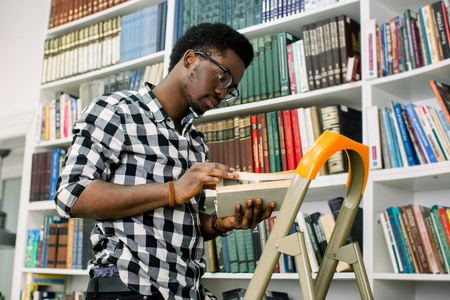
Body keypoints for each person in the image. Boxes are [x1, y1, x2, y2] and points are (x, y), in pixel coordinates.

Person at [55, 22, 275, 299]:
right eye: (223, 77)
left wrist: (222, 224)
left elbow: (178, 224)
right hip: (127, 289)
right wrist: (173, 190)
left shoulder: (196, 143)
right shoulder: (117, 110)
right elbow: (71, 195)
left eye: (231, 89)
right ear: (190, 59)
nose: (223, 93)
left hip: (185, 292)